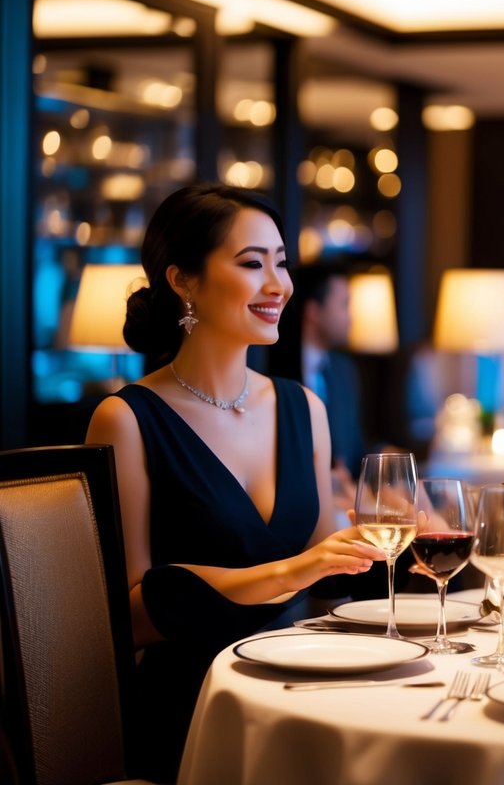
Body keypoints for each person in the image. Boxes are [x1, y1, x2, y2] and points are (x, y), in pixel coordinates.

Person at [85, 184, 382, 781]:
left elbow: (330, 584)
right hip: (199, 705)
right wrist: (288, 573)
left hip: (309, 686)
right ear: (183, 281)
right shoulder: (127, 418)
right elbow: (131, 615)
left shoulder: (305, 408)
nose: (279, 286)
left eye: (281, 263)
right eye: (252, 264)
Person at [293, 260, 364, 515]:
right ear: (313, 311)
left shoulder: (344, 371)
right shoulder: (276, 373)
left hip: (344, 505)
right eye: (344, 305)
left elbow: (355, 451)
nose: (351, 317)